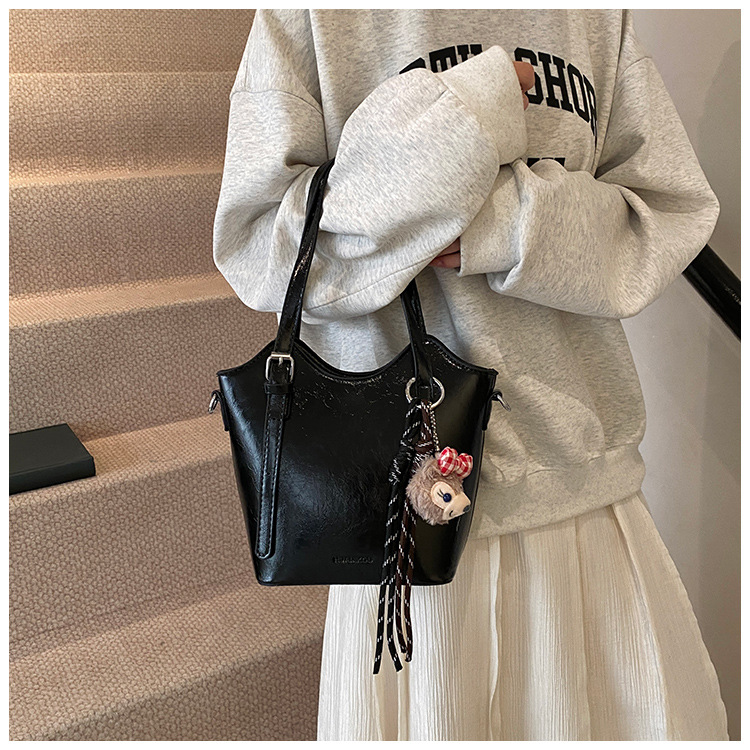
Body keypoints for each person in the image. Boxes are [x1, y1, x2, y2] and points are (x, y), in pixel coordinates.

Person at [212, 9, 729, 741]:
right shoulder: (314, 17)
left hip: (586, 494)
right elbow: (261, 247)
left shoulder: (593, 17)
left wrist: (504, 223)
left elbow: (667, 213)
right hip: (406, 523)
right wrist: (471, 115)